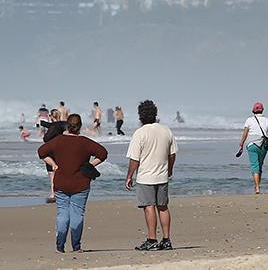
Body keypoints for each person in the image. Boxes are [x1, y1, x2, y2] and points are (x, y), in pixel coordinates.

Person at [37, 114, 108, 253]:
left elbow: (41, 152)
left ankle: (60, 247)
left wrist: (53, 164)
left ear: (67, 126)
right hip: (80, 183)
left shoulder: (58, 141)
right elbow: (103, 153)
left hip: (61, 182)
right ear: (80, 126)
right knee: (77, 214)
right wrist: (90, 165)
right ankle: (76, 247)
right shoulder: (85, 142)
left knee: (62, 214)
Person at [125, 100, 178, 251]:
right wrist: (170, 169)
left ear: (140, 116)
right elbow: (172, 154)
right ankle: (166, 240)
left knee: (149, 207)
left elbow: (134, 158)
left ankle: (152, 239)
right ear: (155, 114)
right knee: (163, 207)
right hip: (162, 174)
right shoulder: (166, 130)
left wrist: (129, 176)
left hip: (146, 176)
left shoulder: (140, 133)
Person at [237, 102, 268, 194]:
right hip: (263, 145)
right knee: (259, 166)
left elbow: (245, 133)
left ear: (253, 111)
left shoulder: (249, 120)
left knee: (254, 165)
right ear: (262, 110)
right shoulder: (267, 120)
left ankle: (257, 187)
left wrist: (241, 144)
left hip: (252, 145)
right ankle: (258, 186)